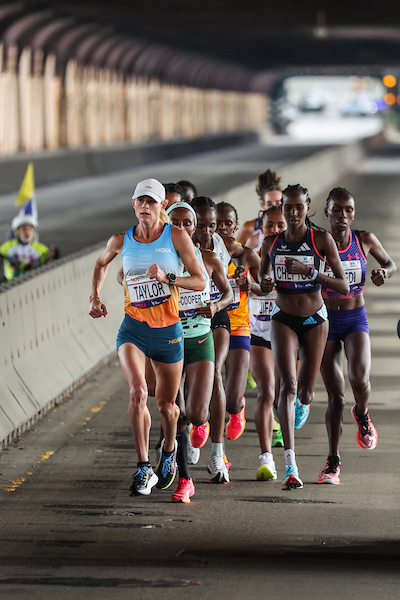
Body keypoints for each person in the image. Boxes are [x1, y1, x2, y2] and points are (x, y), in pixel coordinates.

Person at [89, 178, 206, 497]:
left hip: (168, 329)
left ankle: (169, 452)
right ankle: (143, 467)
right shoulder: (121, 239)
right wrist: (95, 296)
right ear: (133, 204)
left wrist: (168, 278)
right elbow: (101, 264)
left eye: (151, 202)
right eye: (140, 201)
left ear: (161, 206)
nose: (145, 206)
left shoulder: (177, 236)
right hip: (134, 329)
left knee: (168, 407)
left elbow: (200, 281)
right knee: (138, 393)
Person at [259, 184, 349, 490]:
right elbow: (261, 283)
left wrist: (310, 273)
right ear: (282, 208)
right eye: (288, 207)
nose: (294, 212)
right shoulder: (271, 243)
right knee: (288, 385)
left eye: (299, 207)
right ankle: (290, 465)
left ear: (307, 207)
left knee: (305, 393)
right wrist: (265, 281)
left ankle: (304, 402)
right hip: (282, 318)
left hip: (314, 320)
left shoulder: (320, 239)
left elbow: (343, 286)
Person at [318, 187, 396, 484]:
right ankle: (333, 461)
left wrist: (383, 274)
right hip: (325, 321)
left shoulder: (363, 239)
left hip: (354, 318)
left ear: (354, 213)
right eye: (336, 210)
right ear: (327, 212)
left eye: (348, 210)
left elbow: (390, 263)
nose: (342, 215)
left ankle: (362, 415)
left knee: (360, 380)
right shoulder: (318, 242)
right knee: (335, 398)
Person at [165, 201, 232, 502]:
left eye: (186, 223)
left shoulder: (209, 258)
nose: (181, 228)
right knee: (174, 412)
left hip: (202, 340)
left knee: (196, 413)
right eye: (174, 222)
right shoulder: (162, 261)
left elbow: (228, 292)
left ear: (193, 227)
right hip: (170, 343)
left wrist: (216, 305)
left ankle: (202, 426)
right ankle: (184, 480)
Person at [191, 196, 259, 483]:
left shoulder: (229, 249)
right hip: (185, 319)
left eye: (216, 225)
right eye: (205, 225)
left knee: (215, 374)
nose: (211, 232)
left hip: (223, 317)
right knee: (182, 390)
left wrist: (252, 282)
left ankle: (217, 453)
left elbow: (263, 277)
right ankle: (182, 439)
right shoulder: (176, 244)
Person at [215, 201, 261, 444]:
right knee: (209, 388)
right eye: (218, 223)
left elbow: (266, 287)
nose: (222, 228)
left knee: (232, 397)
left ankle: (236, 409)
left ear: (235, 225)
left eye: (228, 223)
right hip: (210, 327)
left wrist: (250, 285)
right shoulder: (201, 255)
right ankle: (204, 428)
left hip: (238, 327)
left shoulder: (246, 255)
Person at [248, 206, 287, 480]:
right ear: (260, 228)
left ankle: (287, 439)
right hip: (258, 335)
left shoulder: (299, 254)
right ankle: (266, 458)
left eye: (280, 225)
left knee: (289, 392)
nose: (274, 230)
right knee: (266, 393)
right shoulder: (248, 256)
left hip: (289, 333)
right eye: (269, 226)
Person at [236, 169, 282, 245]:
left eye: (277, 203)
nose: (274, 207)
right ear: (262, 205)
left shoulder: (293, 226)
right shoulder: (249, 228)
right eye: (269, 204)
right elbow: (232, 253)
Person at [0, 214, 50, 280]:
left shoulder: (41, 248)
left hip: (34, 280)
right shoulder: (7, 246)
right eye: (23, 229)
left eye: (30, 229)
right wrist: (8, 258)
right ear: (17, 232)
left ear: (34, 231)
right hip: (10, 281)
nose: (27, 232)